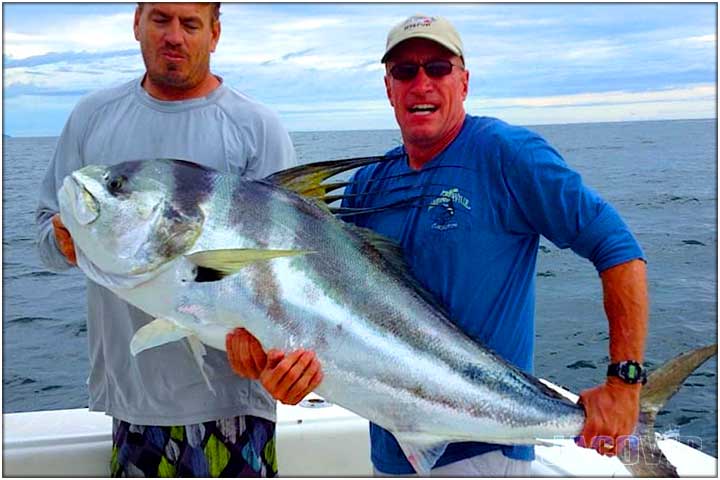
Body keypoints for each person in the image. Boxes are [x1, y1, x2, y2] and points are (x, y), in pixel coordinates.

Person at [226, 12, 647, 478]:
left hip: (484, 452)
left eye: (438, 68)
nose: (421, 82)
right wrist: (278, 364)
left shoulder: (506, 154)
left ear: (463, 81)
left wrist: (624, 382)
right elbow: (329, 311)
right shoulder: (368, 184)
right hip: (391, 452)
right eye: (405, 71)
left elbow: (616, 246)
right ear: (389, 88)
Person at [36, 3, 319, 477]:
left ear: (214, 33)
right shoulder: (91, 117)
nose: (174, 36)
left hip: (234, 407)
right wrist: (61, 241)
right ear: (136, 24)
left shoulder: (255, 127)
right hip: (130, 402)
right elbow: (45, 228)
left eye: (190, 24)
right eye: (160, 19)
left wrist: (282, 360)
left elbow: (293, 265)